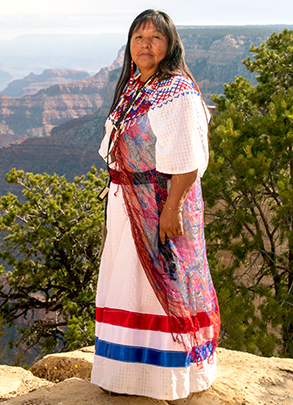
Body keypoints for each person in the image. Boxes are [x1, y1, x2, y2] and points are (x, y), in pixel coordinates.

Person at [91, 9, 220, 400]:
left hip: (158, 203)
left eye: (155, 38)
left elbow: (188, 159)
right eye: (139, 37)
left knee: (160, 281)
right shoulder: (136, 87)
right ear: (130, 45)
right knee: (127, 279)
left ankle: (165, 378)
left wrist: (172, 209)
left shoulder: (177, 92)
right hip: (127, 201)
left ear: (169, 45)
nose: (146, 45)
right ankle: (124, 375)